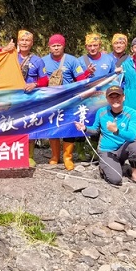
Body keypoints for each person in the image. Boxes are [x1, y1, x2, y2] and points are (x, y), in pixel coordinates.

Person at [42, 34, 93, 170]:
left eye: (59, 45)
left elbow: (81, 79)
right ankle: (54, 156)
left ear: (63, 46)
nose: (56, 48)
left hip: (69, 100)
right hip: (51, 101)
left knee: (68, 127)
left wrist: (87, 76)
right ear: (49, 47)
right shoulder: (43, 61)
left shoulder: (72, 60)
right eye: (54, 45)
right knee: (53, 126)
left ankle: (67, 157)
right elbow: (40, 80)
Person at [74, 85, 136, 185]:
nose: (115, 100)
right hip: (106, 150)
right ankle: (106, 166)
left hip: (122, 149)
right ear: (107, 99)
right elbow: (95, 130)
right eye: (111, 97)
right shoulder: (101, 112)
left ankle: (134, 173)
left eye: (117, 96)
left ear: (123, 97)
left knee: (135, 145)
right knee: (116, 180)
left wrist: (116, 131)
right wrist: (85, 128)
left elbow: (132, 136)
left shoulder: (132, 113)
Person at [16, 30, 48, 167]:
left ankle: (29, 156)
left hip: (31, 99)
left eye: (27, 40)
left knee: (29, 126)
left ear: (32, 43)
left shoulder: (37, 60)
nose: (24, 43)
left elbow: (45, 80)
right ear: (18, 42)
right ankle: (14, 154)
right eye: (21, 40)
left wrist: (34, 84)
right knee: (13, 125)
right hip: (13, 99)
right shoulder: (9, 57)